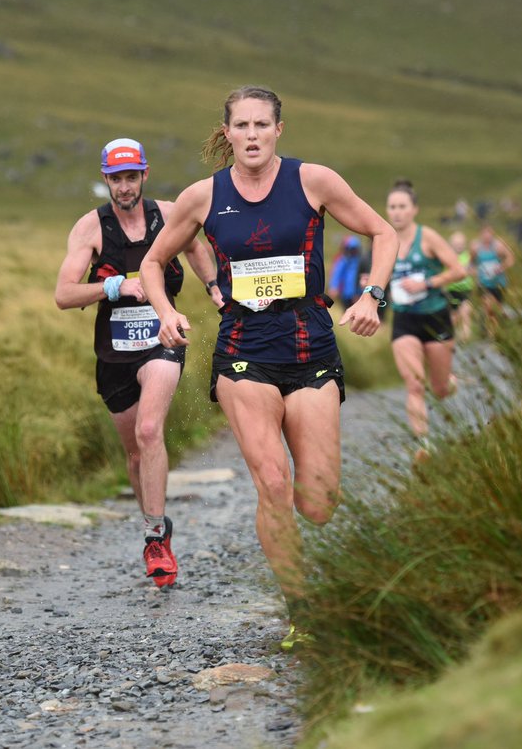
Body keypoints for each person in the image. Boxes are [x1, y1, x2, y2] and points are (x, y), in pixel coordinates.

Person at [138, 86, 397, 646]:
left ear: (279, 129)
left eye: (262, 125)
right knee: (273, 483)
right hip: (244, 348)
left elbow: (384, 232)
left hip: (310, 344)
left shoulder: (314, 181)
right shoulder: (203, 197)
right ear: (226, 133)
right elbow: (153, 261)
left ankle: (307, 562)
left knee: (319, 502)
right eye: (242, 125)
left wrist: (373, 295)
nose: (252, 135)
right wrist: (164, 312)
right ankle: (302, 611)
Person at [54, 138, 222, 588]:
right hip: (113, 352)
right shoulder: (90, 229)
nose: (124, 186)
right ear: (105, 179)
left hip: (162, 337)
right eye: (116, 178)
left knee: (151, 431)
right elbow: (64, 295)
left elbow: (196, 248)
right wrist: (114, 289)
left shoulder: (167, 215)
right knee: (134, 451)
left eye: (132, 177)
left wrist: (214, 288)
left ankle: (156, 537)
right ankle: (151, 519)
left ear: (144, 176)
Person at [385, 181, 466, 458]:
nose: (396, 213)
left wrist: (427, 283)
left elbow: (458, 271)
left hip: (435, 317)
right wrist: (370, 284)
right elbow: (379, 276)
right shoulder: (384, 239)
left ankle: (449, 381)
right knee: (415, 384)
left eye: (402, 207)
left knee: (440, 389)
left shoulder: (427, 237)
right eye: (392, 207)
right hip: (404, 320)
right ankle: (423, 446)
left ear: (414, 210)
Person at [472, 224, 516, 336]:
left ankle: (499, 328)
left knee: (497, 309)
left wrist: (501, 268)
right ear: (480, 234)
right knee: (488, 307)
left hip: (498, 283)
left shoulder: (498, 246)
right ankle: (490, 333)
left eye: (489, 234)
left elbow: (511, 258)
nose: (487, 236)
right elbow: (472, 262)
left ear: (492, 234)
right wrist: (475, 271)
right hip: (483, 283)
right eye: (484, 234)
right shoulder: (475, 247)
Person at [444, 231, 475, 342]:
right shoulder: (447, 256)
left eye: (461, 244)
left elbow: (473, 271)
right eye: (456, 244)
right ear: (451, 244)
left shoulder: (468, 256)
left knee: (466, 312)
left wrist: (470, 271)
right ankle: (450, 337)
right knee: (454, 316)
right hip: (451, 290)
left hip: (466, 289)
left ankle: (466, 337)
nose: (458, 246)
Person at [328, 235, 364, 309]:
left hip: (357, 293)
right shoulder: (344, 260)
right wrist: (334, 286)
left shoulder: (360, 261)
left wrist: (359, 292)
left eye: (354, 249)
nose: (353, 251)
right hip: (345, 292)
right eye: (351, 249)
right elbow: (337, 274)